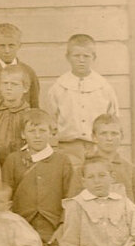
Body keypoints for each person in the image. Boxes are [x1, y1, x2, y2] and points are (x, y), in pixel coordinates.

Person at [42, 32, 120, 166]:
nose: (81, 60)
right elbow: (50, 119)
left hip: (97, 146)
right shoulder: (59, 88)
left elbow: (113, 117)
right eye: (76, 56)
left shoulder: (103, 87)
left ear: (94, 57)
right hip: (68, 146)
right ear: (68, 57)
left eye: (86, 56)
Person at [4, 112, 70, 246]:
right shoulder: (13, 160)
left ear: (51, 133)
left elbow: (70, 198)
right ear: (23, 134)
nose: (37, 136)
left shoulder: (62, 161)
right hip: (21, 224)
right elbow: (5, 197)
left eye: (42, 130)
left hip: (52, 226)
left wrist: (62, 226)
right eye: (32, 131)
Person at [66, 113, 135, 209]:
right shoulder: (82, 170)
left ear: (122, 137)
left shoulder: (131, 170)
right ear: (94, 137)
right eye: (103, 134)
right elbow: (72, 207)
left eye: (114, 134)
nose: (109, 138)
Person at [0, 63, 36, 162]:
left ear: (25, 88)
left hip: (19, 163)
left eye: (14, 84)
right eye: (5, 83)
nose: (8, 87)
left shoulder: (29, 115)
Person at [0, 21, 39, 112]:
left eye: (11, 45)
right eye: (2, 46)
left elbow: (34, 105)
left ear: (19, 46)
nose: (7, 51)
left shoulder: (28, 72)